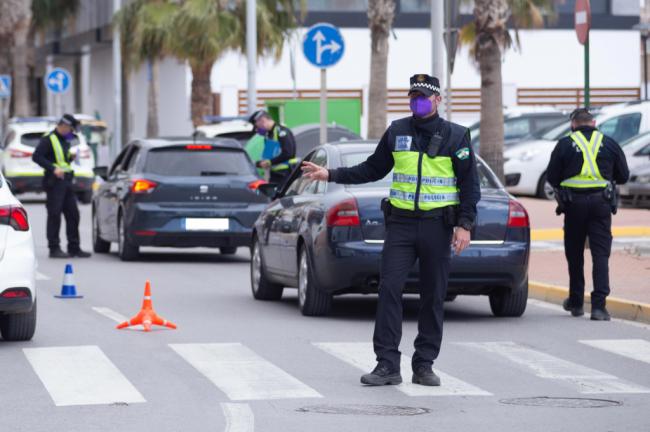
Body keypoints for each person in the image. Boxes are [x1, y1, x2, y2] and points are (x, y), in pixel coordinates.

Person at [301, 74, 480, 386]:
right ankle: (387, 364)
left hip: (438, 226)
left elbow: (469, 185)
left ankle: (424, 364)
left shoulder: (456, 135)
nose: (417, 102)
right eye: (413, 97)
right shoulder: (398, 131)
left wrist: (464, 224)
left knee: (433, 295)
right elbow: (371, 168)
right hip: (401, 226)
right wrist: (330, 173)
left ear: (438, 100)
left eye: (423, 97)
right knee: (389, 290)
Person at [546, 108, 629, 321]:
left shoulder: (565, 143)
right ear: (593, 122)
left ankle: (576, 303)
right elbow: (624, 175)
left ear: (573, 124)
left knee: (575, 254)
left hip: (574, 205)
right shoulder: (609, 143)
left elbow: (552, 177)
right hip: (601, 204)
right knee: (600, 254)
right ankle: (599, 307)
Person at [32, 114, 92, 258]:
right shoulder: (48, 139)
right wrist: (53, 168)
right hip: (54, 183)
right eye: (71, 129)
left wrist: (69, 158)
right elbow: (37, 157)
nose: (72, 133)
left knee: (73, 214)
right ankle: (54, 248)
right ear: (63, 126)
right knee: (54, 215)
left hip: (66, 182)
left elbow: (61, 159)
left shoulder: (65, 139)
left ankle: (74, 247)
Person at [248, 110, 298, 184]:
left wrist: (270, 162)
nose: (257, 130)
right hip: (275, 174)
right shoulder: (268, 135)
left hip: (286, 173)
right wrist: (261, 163)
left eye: (257, 126)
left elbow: (288, 153)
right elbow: (270, 155)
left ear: (263, 121)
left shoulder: (281, 132)